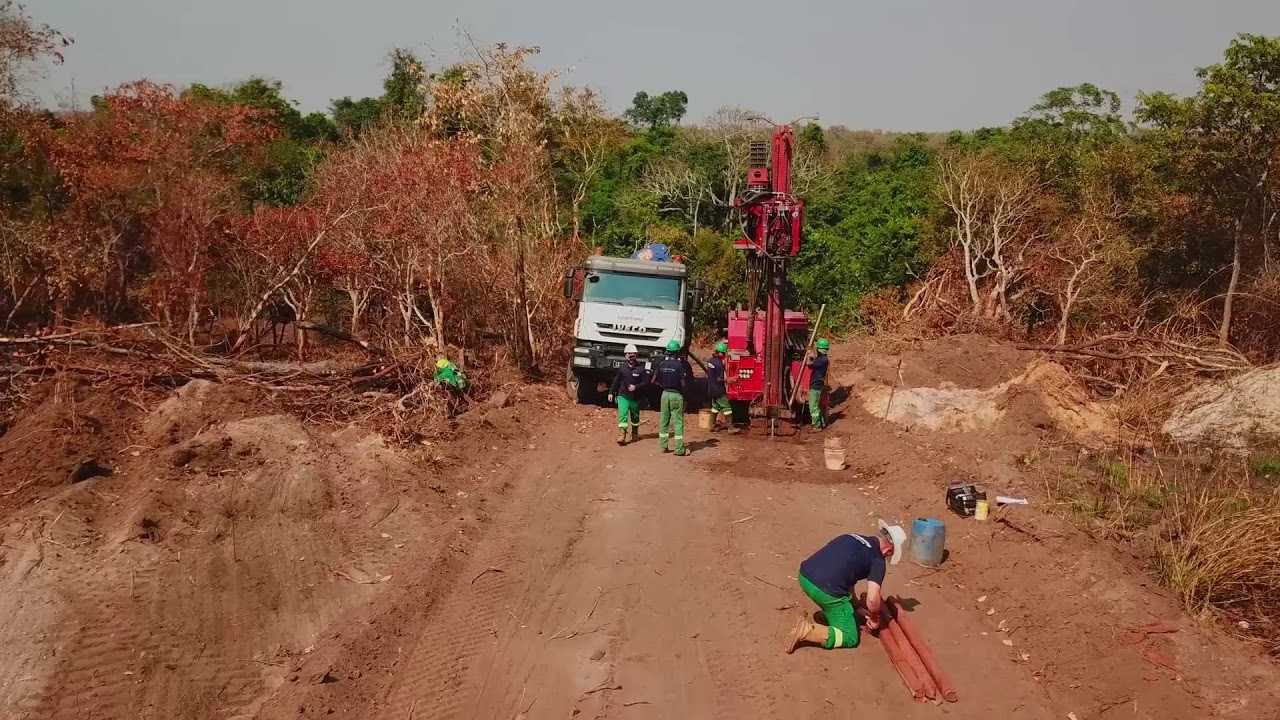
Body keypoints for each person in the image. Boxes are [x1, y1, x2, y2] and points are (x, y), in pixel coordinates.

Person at [785, 520, 906, 653]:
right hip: (824, 591)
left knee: (843, 602)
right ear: (889, 550)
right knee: (850, 637)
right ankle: (808, 631)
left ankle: (830, 615)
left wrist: (857, 606)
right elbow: (872, 599)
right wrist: (874, 619)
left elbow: (847, 579)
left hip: (805, 576)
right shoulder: (877, 560)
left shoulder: (851, 537)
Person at [608, 343, 652, 446]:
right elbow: (616, 380)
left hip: (635, 398)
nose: (631, 357)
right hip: (623, 396)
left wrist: (636, 387)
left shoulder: (640, 369)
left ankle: (635, 433)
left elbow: (646, 382)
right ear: (626, 356)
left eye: (633, 355)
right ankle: (622, 435)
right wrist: (611, 392)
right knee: (623, 415)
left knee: (635, 418)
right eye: (629, 355)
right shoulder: (622, 368)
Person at [654, 339, 689, 456]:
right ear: (677, 352)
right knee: (678, 422)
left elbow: (653, 380)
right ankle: (679, 449)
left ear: (668, 351)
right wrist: (685, 397)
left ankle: (663, 446)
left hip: (665, 394)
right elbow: (684, 384)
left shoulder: (662, 364)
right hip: (676, 394)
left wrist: (663, 385)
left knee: (664, 420)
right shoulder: (679, 365)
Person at [706, 341, 735, 431]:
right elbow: (719, 379)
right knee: (727, 407)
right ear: (720, 353)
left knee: (715, 407)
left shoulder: (711, 361)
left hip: (711, 389)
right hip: (718, 390)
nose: (725, 355)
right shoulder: (719, 364)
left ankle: (711, 426)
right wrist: (729, 379)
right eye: (724, 353)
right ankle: (730, 428)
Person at [807, 338, 831, 430]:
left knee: (813, 407)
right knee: (817, 406)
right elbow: (814, 361)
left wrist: (809, 354)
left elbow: (809, 364)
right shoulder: (822, 359)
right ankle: (822, 423)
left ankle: (817, 426)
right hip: (818, 385)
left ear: (819, 349)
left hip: (816, 386)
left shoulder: (822, 360)